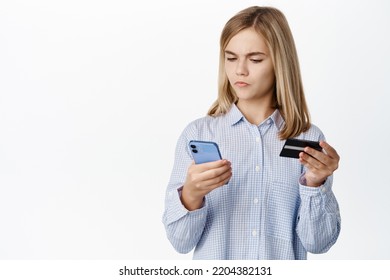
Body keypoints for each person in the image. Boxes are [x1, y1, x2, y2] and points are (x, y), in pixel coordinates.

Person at [162, 6, 341, 260]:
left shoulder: (306, 140)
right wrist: (191, 194)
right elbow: (180, 242)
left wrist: (315, 184)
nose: (240, 71)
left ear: (280, 62)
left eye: (255, 59)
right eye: (231, 58)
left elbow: (319, 243)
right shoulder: (199, 133)